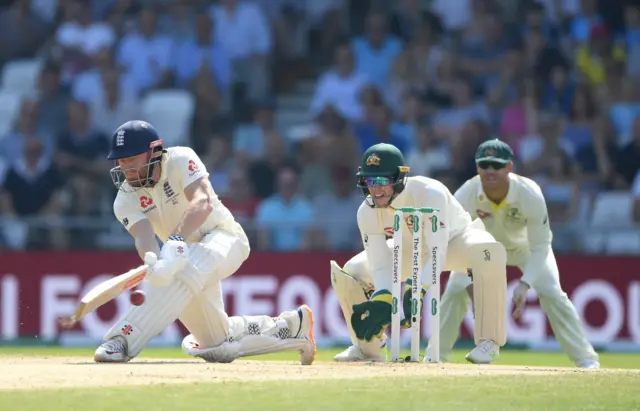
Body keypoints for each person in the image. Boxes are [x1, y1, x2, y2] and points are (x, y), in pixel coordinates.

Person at [93, 120, 316, 364]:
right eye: (120, 161)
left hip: (224, 237)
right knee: (218, 346)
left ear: (154, 152)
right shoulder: (124, 199)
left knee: (185, 269)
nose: (125, 168)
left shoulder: (180, 159)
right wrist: (154, 263)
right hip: (181, 255)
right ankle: (292, 327)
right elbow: (144, 235)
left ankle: (121, 339)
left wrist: (176, 240)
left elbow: (202, 201)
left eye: (131, 159)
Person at [330, 142, 508, 364]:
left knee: (488, 251)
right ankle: (367, 348)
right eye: (369, 181)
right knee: (352, 271)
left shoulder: (429, 193)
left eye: (382, 181)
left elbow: (437, 252)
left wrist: (416, 291)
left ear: (399, 177)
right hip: (406, 249)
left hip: (454, 243)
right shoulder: (366, 212)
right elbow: (380, 264)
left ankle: (489, 341)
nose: (375, 189)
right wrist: (385, 298)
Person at [444, 139, 600, 368]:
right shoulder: (466, 194)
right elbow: (455, 241)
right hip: (481, 252)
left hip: (527, 250)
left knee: (553, 293)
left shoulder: (529, 193)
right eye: (484, 165)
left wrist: (525, 284)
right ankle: (436, 356)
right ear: (477, 167)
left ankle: (586, 359)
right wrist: (473, 280)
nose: (490, 171)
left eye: (497, 166)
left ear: (509, 167)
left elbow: (541, 246)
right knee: (455, 290)